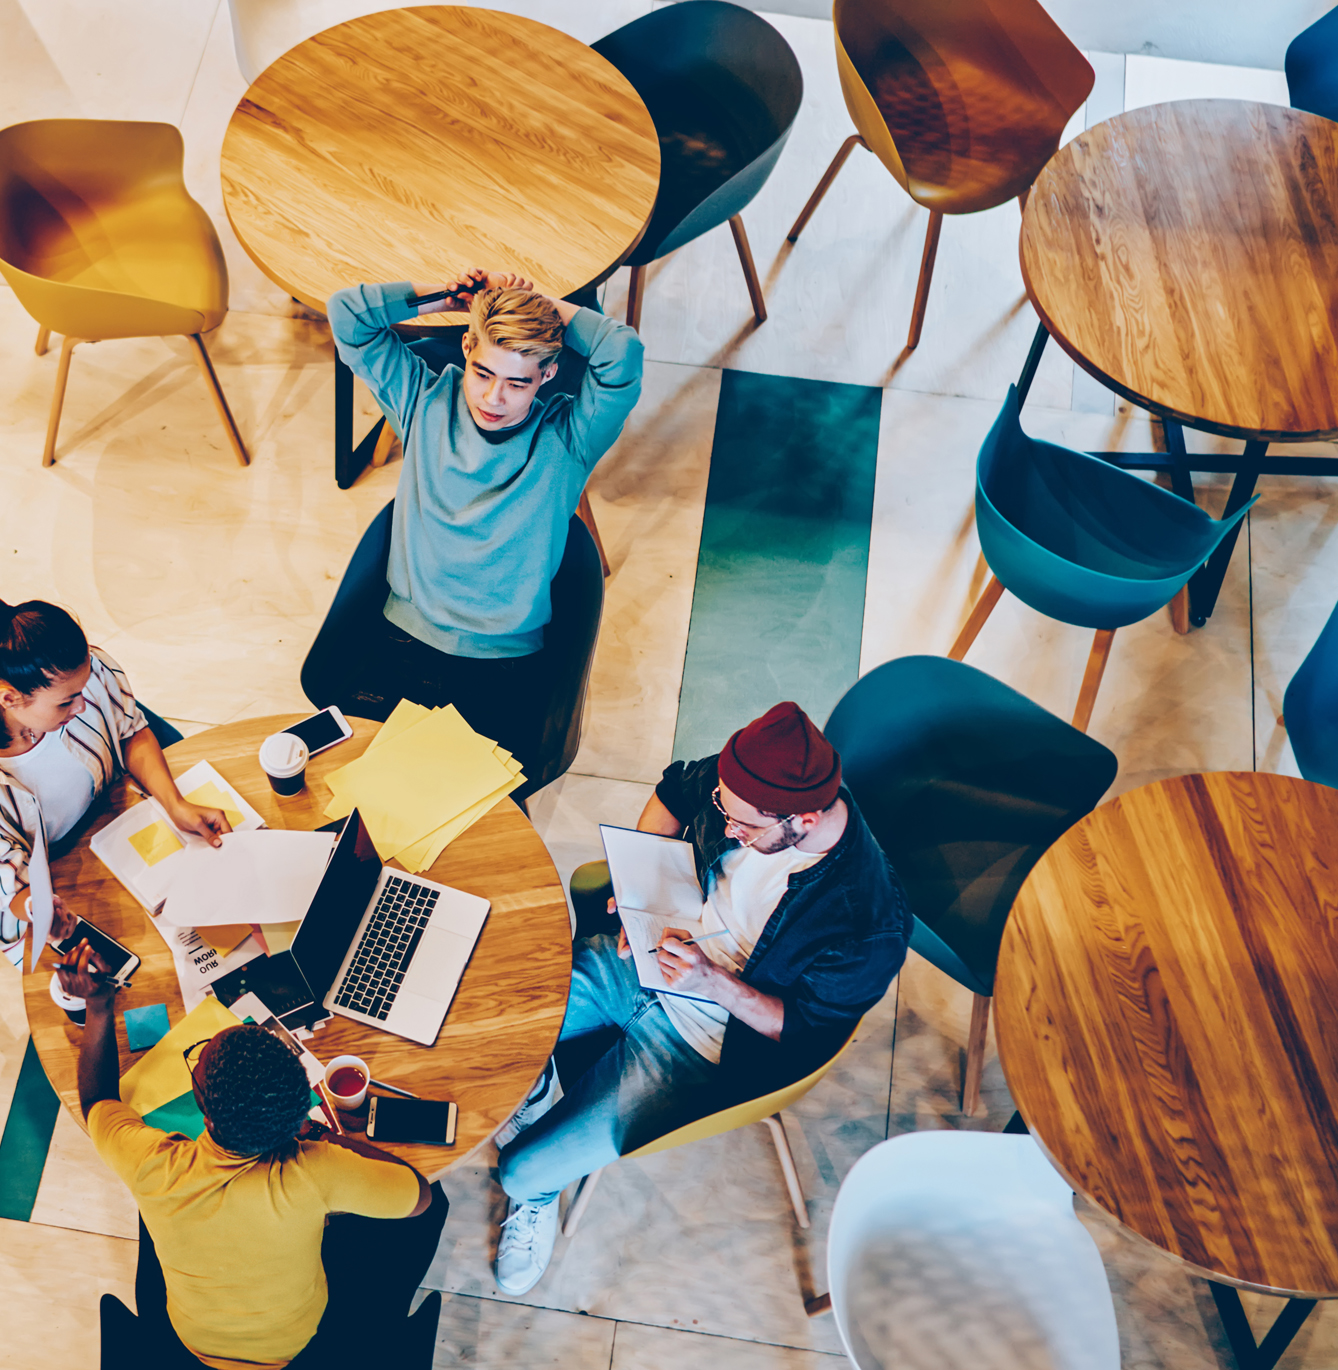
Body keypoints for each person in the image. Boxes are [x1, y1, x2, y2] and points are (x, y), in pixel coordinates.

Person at [487, 702, 912, 1294]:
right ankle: (533, 1094)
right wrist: (635, 882)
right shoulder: (744, 786)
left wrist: (712, 982)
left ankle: (534, 1197)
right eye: (724, 812)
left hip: (705, 1036)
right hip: (643, 958)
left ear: (806, 819)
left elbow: (803, 1031)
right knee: (501, 1028)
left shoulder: (867, 922)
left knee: (518, 1170)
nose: (729, 829)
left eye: (746, 828)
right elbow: (673, 792)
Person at [58, 950, 447, 1369]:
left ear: (204, 1111)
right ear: (299, 1115)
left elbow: (98, 1100)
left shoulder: (152, 1166)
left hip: (189, 1339)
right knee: (436, 1201)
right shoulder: (318, 1170)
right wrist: (323, 1136)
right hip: (298, 1342)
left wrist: (98, 1008)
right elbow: (421, 1197)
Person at [323, 269, 643, 764]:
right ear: (467, 348)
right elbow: (347, 315)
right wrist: (448, 295)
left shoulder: (569, 439)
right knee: (358, 794)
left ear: (548, 375)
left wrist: (538, 306)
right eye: (484, 373)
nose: (494, 398)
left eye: (518, 383)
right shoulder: (421, 402)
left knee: (475, 818)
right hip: (401, 639)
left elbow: (623, 352)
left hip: (502, 664)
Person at [0, 595, 228, 962]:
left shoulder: (88, 669)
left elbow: (130, 729)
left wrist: (176, 805)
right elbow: (8, 887)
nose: (83, 706)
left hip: (113, 818)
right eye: (66, 702)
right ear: (10, 699)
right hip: (42, 882)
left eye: (82, 692)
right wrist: (40, 909)